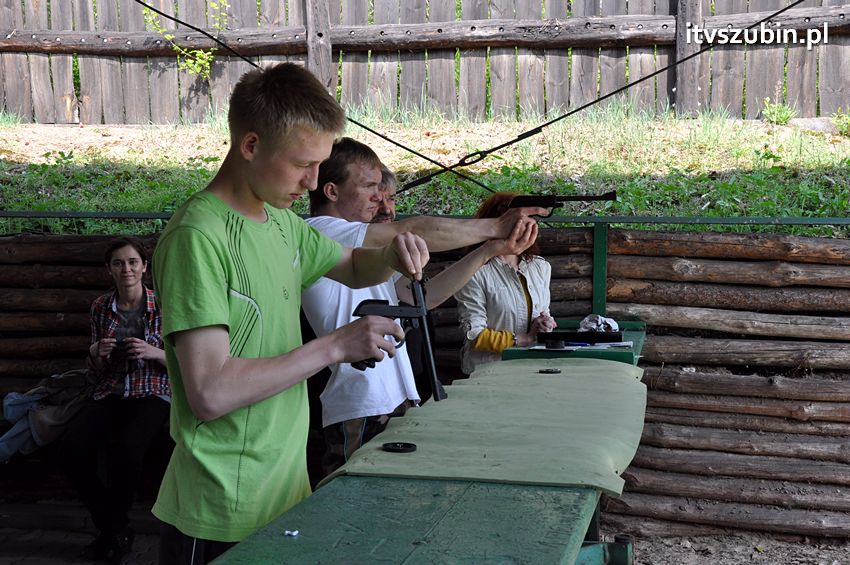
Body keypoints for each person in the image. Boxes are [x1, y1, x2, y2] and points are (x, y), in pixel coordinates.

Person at [151, 63, 430, 564]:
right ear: (251, 146)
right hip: (219, 507)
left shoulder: (280, 221)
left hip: (283, 490)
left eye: (320, 164)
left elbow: (350, 265)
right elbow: (211, 393)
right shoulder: (198, 238)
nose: (312, 181)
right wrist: (335, 346)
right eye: (302, 164)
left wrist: (391, 256)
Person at [302, 138, 543, 477]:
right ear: (331, 191)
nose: (378, 197)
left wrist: (489, 249)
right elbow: (411, 229)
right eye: (369, 186)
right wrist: (493, 225)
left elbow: (422, 298)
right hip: (360, 404)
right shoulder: (319, 231)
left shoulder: (359, 250)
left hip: (392, 400)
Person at [58, 236, 171, 564]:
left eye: (133, 262)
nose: (126, 269)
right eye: (118, 263)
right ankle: (114, 527)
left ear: (144, 267)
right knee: (71, 450)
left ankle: (111, 533)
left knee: (126, 450)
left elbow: (184, 359)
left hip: (151, 389)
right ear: (109, 269)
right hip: (110, 389)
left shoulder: (164, 304)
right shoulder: (100, 307)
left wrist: (154, 352)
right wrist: (97, 352)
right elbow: (94, 365)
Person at [454, 192, 558, 375]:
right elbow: (475, 335)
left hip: (532, 370)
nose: (526, 226)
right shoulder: (474, 271)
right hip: (487, 374)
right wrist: (524, 339)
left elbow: (543, 313)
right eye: (518, 220)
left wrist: (544, 324)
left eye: (528, 219)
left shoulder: (540, 267)